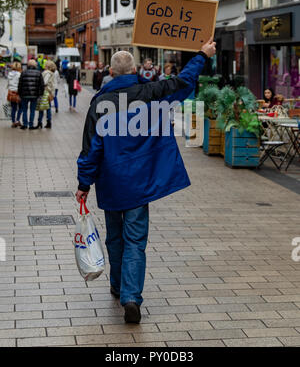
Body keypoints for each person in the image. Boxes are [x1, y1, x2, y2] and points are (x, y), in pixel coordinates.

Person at [76, 38, 216, 324]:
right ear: (136, 70)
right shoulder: (152, 93)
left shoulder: (101, 103)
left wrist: (83, 184)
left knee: (115, 237)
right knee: (135, 241)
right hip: (141, 183)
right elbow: (183, 82)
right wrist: (202, 54)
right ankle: (131, 296)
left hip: (112, 183)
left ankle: (117, 285)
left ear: (111, 72)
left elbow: (91, 149)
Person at [18, 59, 44, 130]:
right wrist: (40, 94)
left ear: (28, 65)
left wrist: (19, 94)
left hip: (24, 95)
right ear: (35, 65)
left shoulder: (23, 72)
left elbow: (20, 84)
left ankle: (25, 124)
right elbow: (42, 85)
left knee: (24, 110)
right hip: (34, 95)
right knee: (32, 110)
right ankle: (31, 125)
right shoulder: (39, 73)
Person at [36, 60, 56, 129]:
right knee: (48, 108)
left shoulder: (47, 73)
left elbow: (44, 82)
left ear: (47, 66)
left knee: (42, 107)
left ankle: (40, 122)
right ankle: (48, 122)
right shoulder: (52, 73)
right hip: (49, 92)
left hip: (45, 92)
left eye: (45, 64)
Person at [7, 61, 22, 128]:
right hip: (18, 93)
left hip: (11, 93)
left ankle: (13, 122)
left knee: (13, 108)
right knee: (21, 107)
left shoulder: (9, 74)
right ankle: (17, 120)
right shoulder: (20, 74)